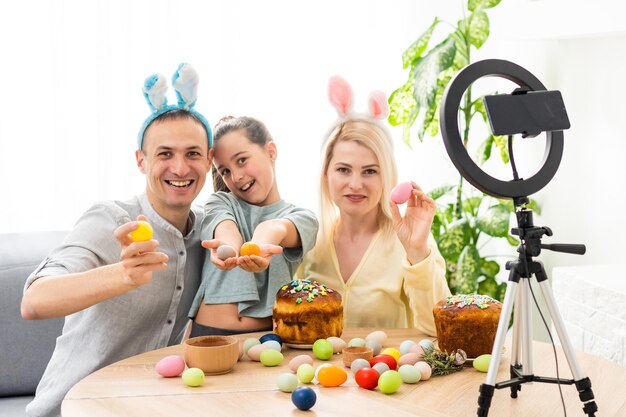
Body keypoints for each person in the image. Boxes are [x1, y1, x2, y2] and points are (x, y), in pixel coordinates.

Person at [20, 63, 213, 417]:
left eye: (193, 154)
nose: (181, 168)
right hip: (64, 411)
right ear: (141, 161)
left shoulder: (209, 232)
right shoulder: (109, 219)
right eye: (165, 154)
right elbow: (34, 301)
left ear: (209, 160)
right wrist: (121, 275)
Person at [296, 76, 450, 335]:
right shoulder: (310, 240)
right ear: (326, 174)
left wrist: (417, 250)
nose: (355, 184)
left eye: (369, 171)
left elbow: (439, 327)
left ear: (386, 176)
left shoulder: (407, 242)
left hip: (389, 373)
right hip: (318, 374)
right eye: (344, 169)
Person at [188, 116, 318, 336]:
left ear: (271, 151)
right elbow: (227, 230)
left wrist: (258, 245)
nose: (236, 176)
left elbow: (277, 228)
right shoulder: (220, 201)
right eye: (225, 171)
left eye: (241, 160)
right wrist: (226, 248)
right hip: (208, 334)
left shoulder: (303, 218)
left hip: (268, 339)